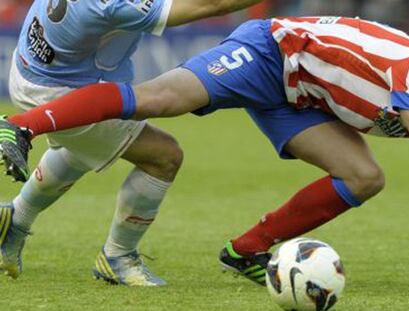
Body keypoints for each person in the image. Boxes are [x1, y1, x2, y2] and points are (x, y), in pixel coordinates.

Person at [3, 16, 409, 287]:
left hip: (304, 97)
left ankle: (246, 250)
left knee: (363, 177)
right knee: (162, 98)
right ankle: (22, 126)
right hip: (270, 53)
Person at [0, 0, 267, 286]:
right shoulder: (112, 3)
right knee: (163, 157)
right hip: (56, 92)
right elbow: (213, 5)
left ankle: (15, 219)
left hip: (33, 69)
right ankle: (118, 257)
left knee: (82, 150)